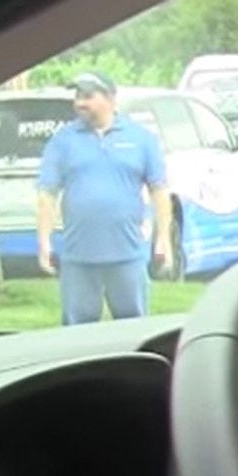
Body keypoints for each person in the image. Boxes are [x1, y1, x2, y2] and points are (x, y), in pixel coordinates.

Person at [36, 71, 171, 325]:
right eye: (77, 97)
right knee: (77, 336)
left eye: (87, 96)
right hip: (78, 259)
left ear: (110, 98)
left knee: (134, 329)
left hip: (128, 256)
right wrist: (44, 242)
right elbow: (47, 194)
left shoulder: (141, 139)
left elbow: (159, 191)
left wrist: (163, 240)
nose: (79, 103)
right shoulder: (62, 141)